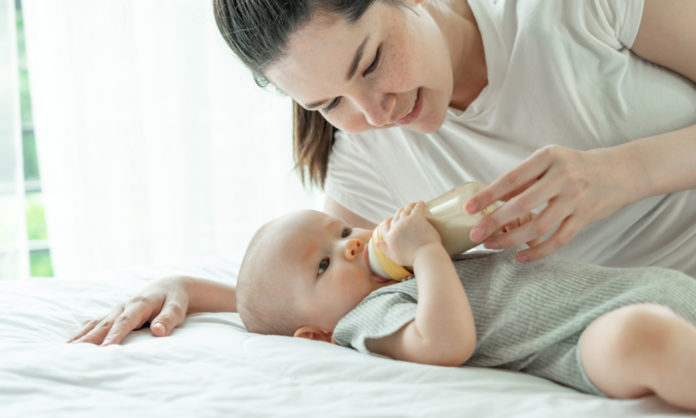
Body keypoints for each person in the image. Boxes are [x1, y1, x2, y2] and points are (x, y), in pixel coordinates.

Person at [214, 0, 696, 273]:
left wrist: (626, 172)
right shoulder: (364, 157)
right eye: (329, 104)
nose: (375, 113)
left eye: (372, 63)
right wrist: (203, 296)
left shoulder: (564, 10)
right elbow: (316, 283)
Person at [71, 203, 696, 410]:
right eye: (324, 262)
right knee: (642, 337)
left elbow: (265, 303)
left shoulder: (355, 292)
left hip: (646, 285)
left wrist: (182, 282)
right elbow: (444, 343)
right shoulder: (366, 320)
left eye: (341, 231)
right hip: (584, 337)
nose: (349, 247)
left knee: (659, 318)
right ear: (320, 335)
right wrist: (426, 255)